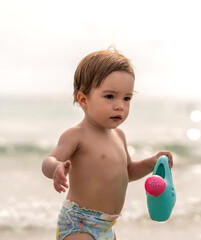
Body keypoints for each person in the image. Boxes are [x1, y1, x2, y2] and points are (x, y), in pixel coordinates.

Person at [42, 48, 173, 240]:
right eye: (110, 96)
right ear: (83, 99)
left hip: (107, 226)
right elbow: (49, 160)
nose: (120, 105)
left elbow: (126, 173)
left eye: (126, 98)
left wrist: (151, 163)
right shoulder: (77, 135)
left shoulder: (119, 136)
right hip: (79, 223)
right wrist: (56, 168)